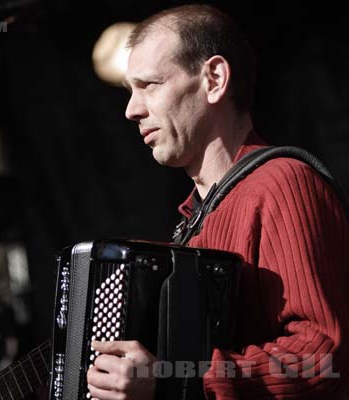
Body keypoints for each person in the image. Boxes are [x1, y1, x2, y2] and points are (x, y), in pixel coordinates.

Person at [87, 4, 349, 399]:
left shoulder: (282, 183)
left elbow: (322, 358)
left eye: (151, 85)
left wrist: (175, 380)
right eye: (130, 91)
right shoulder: (196, 217)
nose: (131, 110)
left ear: (214, 79)